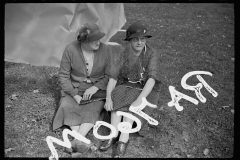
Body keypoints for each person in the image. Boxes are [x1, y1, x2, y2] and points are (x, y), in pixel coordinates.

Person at [52, 23, 124, 155]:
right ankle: (81, 141)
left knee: (94, 108)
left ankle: (75, 142)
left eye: (99, 38)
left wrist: (95, 88)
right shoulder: (70, 49)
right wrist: (75, 95)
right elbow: (63, 76)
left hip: (97, 91)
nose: (98, 42)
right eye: (94, 39)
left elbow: (109, 75)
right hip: (74, 88)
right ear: (84, 41)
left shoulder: (105, 50)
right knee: (66, 106)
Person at [99, 21, 161, 158]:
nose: (139, 42)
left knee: (131, 105)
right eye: (136, 39)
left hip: (144, 89)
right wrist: (108, 97)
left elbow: (151, 79)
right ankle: (113, 134)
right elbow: (114, 78)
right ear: (129, 40)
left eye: (142, 39)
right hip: (127, 84)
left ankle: (123, 139)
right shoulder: (123, 53)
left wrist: (140, 100)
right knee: (117, 94)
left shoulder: (151, 53)